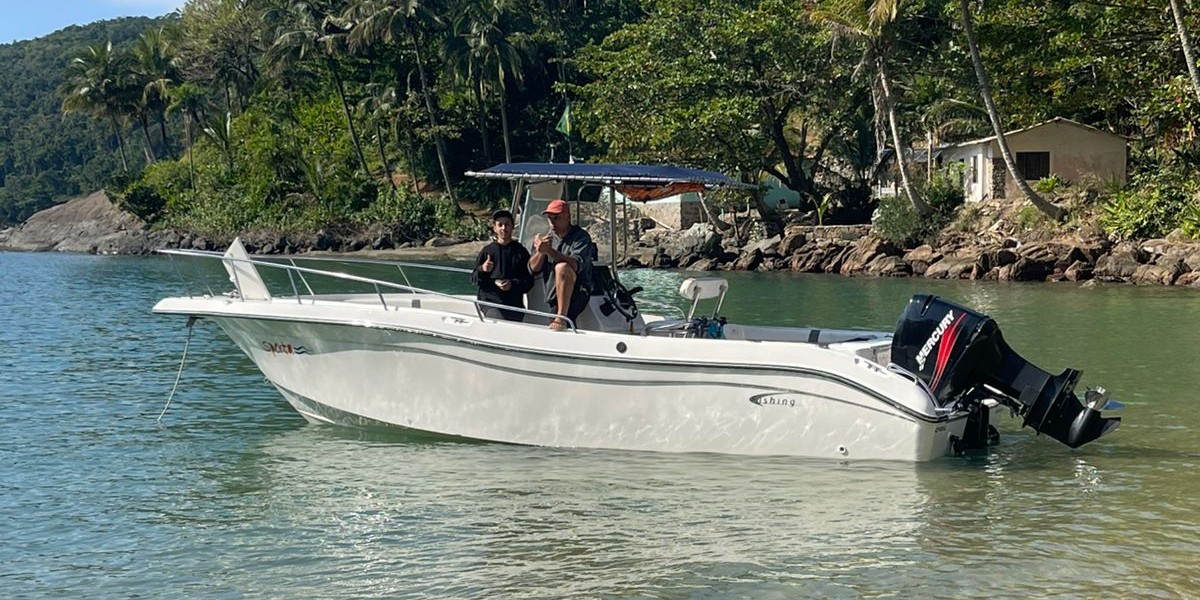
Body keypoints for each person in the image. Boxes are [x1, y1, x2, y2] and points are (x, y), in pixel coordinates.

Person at [528, 199, 595, 330]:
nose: (552, 221)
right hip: (552, 294)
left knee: (562, 267)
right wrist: (541, 251)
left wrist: (549, 251)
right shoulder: (546, 238)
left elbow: (576, 264)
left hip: (578, 292)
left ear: (568, 217)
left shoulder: (581, 237)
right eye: (549, 217)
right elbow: (532, 268)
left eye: (557, 217)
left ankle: (561, 319)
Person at [471, 210, 534, 321]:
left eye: (507, 224)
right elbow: (474, 278)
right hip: (490, 302)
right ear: (494, 228)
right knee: (498, 320)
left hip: (514, 304)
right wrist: (483, 269)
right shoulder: (487, 251)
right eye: (500, 225)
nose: (503, 228)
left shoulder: (521, 252)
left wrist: (512, 284)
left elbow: (528, 281)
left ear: (512, 226)